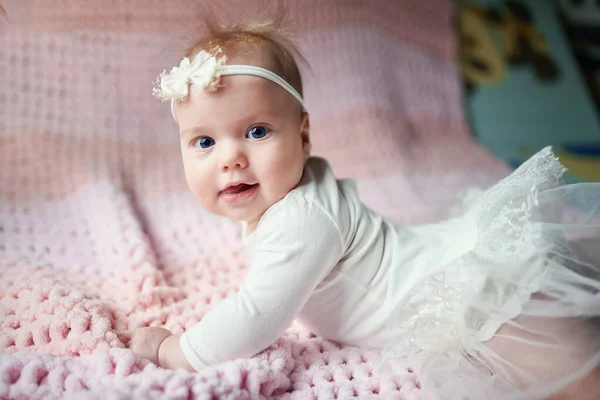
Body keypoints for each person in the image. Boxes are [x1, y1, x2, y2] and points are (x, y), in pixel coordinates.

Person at [129, 17, 600, 399]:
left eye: (257, 132)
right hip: (457, 261)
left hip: (471, 301)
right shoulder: (290, 197)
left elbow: (256, 316)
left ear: (304, 136)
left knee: (573, 381)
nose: (231, 158)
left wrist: (178, 350)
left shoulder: (302, 219)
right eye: (204, 142)